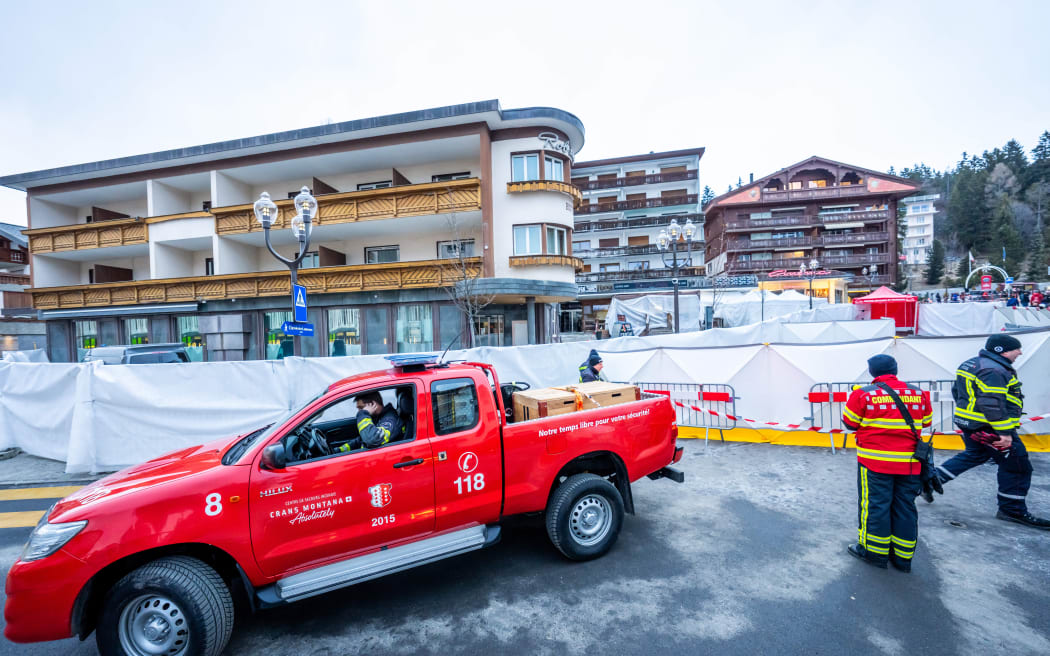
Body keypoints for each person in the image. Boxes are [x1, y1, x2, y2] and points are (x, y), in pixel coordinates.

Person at [938, 334, 1050, 529]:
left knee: (975, 455)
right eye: (1017, 349)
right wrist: (1005, 433)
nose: (1020, 352)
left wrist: (970, 417)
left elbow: (958, 392)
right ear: (1003, 350)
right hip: (990, 427)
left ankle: (928, 482)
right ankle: (1012, 510)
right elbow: (991, 403)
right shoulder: (994, 370)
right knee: (1017, 466)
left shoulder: (972, 364)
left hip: (973, 423)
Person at [842, 354, 933, 572]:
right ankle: (903, 557)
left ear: (872, 372)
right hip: (911, 462)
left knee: (875, 505)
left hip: (875, 462)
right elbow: (926, 421)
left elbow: (850, 423)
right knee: (905, 505)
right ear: (895, 369)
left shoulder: (863, 394)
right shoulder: (918, 393)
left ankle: (874, 552)